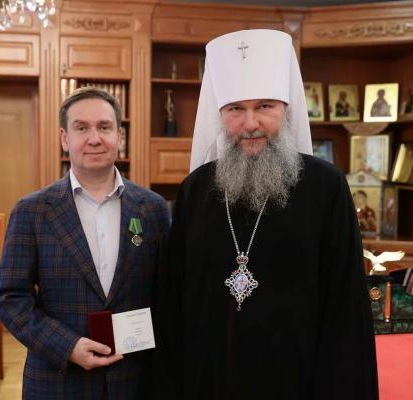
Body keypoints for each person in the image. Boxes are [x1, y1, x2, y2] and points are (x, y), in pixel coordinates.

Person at [152, 29, 378, 399]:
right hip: (209, 382)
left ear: (286, 109)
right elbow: (173, 304)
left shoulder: (326, 187)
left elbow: (346, 308)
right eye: (235, 109)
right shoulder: (196, 189)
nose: (250, 123)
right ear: (219, 114)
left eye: (265, 107)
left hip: (299, 383)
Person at [0, 87, 170, 399]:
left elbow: (168, 294)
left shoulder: (154, 209)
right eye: (82, 128)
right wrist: (67, 346)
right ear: (64, 138)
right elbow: (9, 298)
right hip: (58, 381)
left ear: (120, 136)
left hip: (136, 380)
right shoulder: (32, 211)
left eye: (104, 127)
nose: (94, 138)